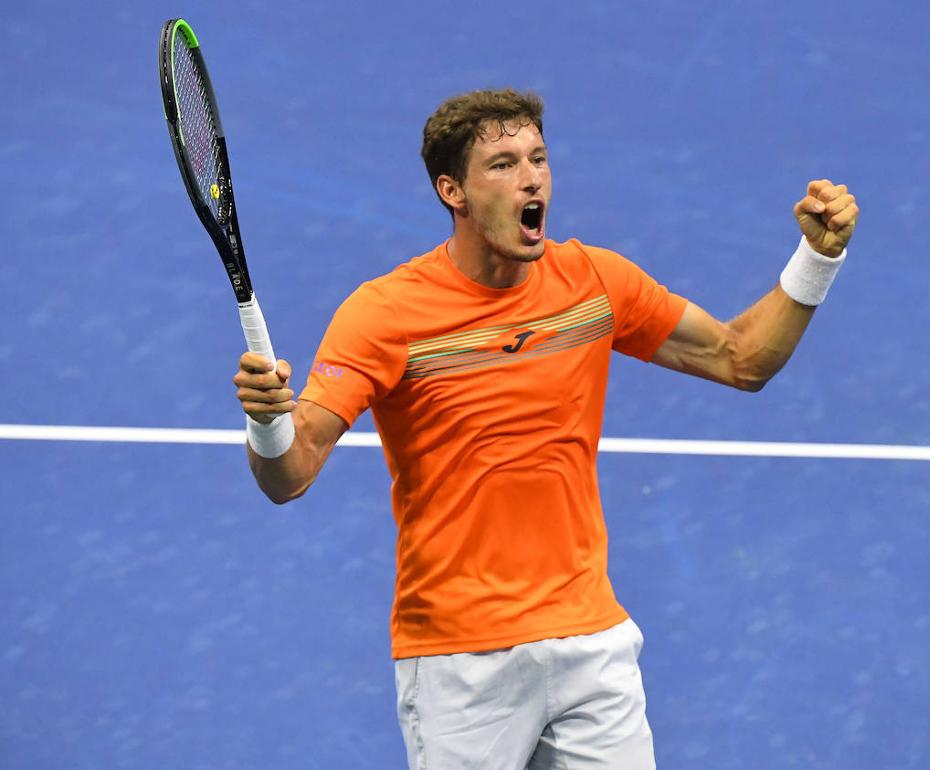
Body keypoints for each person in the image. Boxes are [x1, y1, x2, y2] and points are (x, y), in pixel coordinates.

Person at [232, 88, 857, 769]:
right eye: (502, 164)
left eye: (538, 158)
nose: (531, 177)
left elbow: (741, 359)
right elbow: (290, 475)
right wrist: (269, 424)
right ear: (454, 191)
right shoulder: (386, 315)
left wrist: (816, 259)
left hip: (590, 639)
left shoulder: (594, 284)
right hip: (461, 658)